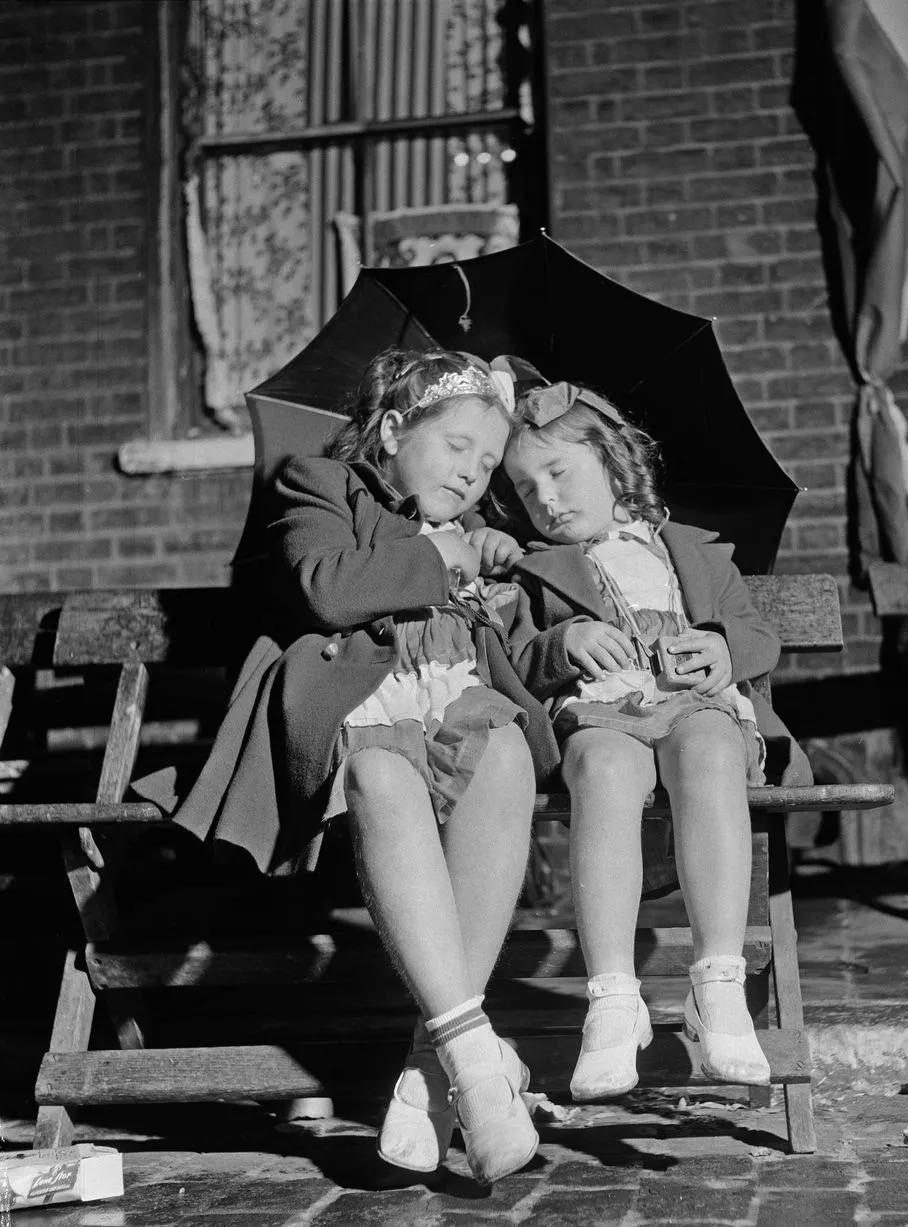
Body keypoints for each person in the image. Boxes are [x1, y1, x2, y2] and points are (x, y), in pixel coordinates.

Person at [167, 349, 558, 1184]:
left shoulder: (476, 536)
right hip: (361, 711)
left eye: (487, 462)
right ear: (389, 432)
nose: (473, 471)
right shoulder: (316, 483)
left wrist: (499, 600)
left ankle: (437, 1066)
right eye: (457, 446)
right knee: (384, 778)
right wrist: (443, 556)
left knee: (509, 750)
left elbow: (516, 653)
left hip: (455, 705)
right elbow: (327, 587)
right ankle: (482, 1070)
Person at [500, 381, 812, 1101]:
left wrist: (724, 648)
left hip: (696, 703)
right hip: (604, 715)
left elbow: (757, 630)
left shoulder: (692, 551)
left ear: (613, 463)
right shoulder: (532, 570)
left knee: (710, 749)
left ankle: (717, 985)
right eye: (524, 486)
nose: (543, 498)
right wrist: (564, 641)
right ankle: (612, 998)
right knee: (603, 766)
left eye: (559, 473)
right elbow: (514, 656)